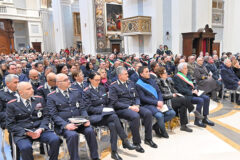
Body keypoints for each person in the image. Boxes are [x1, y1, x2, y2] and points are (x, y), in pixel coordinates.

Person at [84, 72, 136, 160]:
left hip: (106, 115)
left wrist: (110, 109)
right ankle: (125, 140)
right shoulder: (86, 92)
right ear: (90, 80)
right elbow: (88, 108)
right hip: (94, 117)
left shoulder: (101, 88)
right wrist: (103, 110)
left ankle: (114, 152)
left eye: (99, 80)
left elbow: (108, 102)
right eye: (96, 80)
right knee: (114, 117)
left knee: (112, 124)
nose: (98, 82)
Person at [47, 73, 99, 160]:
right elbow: (54, 115)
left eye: (68, 79)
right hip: (65, 125)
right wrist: (66, 125)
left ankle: (95, 157)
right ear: (58, 83)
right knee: (73, 135)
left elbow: (82, 108)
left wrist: (86, 119)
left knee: (90, 130)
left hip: (79, 122)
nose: (69, 81)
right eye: (65, 80)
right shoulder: (51, 96)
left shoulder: (75, 92)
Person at [6, 82, 60, 160]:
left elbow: (46, 116)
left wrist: (41, 129)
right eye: (29, 89)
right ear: (21, 92)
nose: (32, 90)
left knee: (55, 139)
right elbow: (10, 125)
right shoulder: (11, 105)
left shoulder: (39, 99)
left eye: (31, 87)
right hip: (23, 133)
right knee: (25, 148)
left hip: (40, 130)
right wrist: (26, 132)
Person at [109, 66, 157, 153]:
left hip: (134, 106)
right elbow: (115, 103)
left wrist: (137, 104)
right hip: (122, 108)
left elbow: (137, 96)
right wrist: (130, 107)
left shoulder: (131, 83)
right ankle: (136, 143)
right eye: (126, 74)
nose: (128, 75)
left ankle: (148, 138)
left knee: (148, 113)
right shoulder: (113, 86)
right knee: (135, 116)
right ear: (120, 76)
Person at [156, 67, 204, 132]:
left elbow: (174, 89)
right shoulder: (157, 82)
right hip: (165, 101)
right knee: (183, 100)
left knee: (183, 104)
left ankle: (183, 125)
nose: (167, 74)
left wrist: (176, 93)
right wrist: (172, 95)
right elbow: (160, 95)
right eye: (165, 73)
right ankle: (194, 111)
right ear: (160, 75)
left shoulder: (168, 80)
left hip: (173, 99)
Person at [136, 66, 176, 138]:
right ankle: (163, 131)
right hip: (148, 105)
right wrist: (156, 103)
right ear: (141, 74)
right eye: (146, 72)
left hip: (158, 102)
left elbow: (159, 92)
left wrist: (160, 101)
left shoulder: (152, 80)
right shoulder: (138, 84)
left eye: (148, 71)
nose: (149, 73)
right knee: (159, 115)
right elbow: (143, 98)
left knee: (172, 113)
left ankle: (156, 126)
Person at [173, 62, 215, 128]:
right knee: (200, 100)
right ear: (180, 70)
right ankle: (197, 120)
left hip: (192, 93)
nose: (187, 69)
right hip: (186, 96)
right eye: (185, 68)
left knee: (206, 98)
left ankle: (205, 118)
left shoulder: (188, 75)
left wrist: (195, 89)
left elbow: (193, 84)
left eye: (186, 68)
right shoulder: (177, 77)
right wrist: (191, 92)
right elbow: (180, 89)